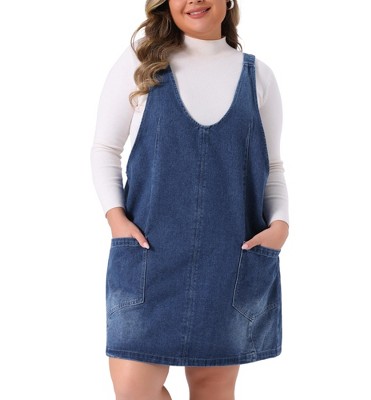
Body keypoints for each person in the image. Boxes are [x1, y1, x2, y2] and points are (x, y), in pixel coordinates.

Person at [91, 0, 289, 398]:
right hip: (149, 257)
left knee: (212, 388)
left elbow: (273, 167)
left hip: (228, 261)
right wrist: (116, 218)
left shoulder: (258, 76)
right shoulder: (142, 61)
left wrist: (281, 225)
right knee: (133, 390)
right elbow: (105, 149)